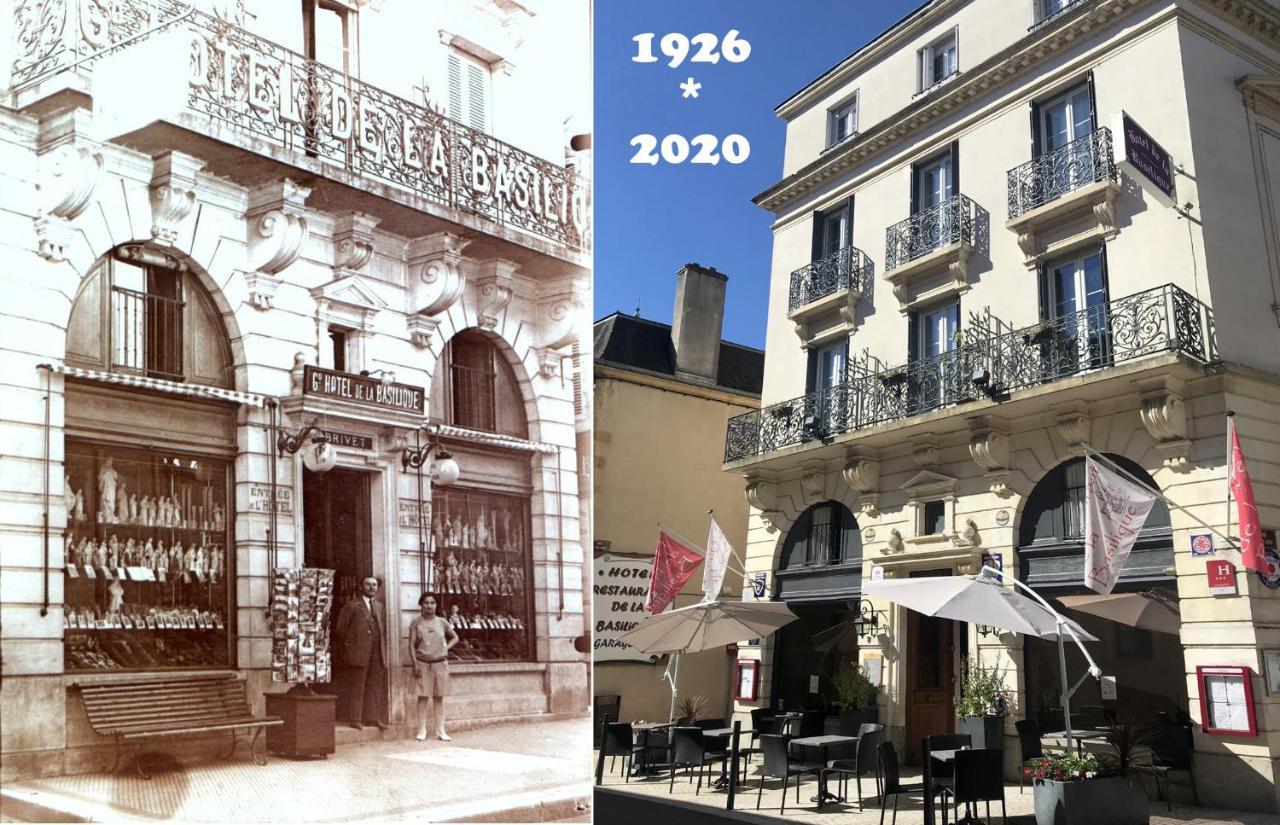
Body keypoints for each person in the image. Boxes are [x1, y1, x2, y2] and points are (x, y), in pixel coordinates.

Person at [334, 576, 389, 730]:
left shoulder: (379, 606)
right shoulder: (352, 606)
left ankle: (372, 718)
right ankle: (355, 719)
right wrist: (353, 647)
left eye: (374, 585)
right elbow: (341, 630)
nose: (371, 587)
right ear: (361, 587)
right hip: (358, 652)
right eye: (368, 584)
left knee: (375, 685)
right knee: (358, 686)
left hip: (377, 652)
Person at [408, 593, 458, 741]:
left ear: (436, 605)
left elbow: (455, 637)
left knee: (439, 698)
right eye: (426, 603)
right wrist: (415, 663)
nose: (429, 606)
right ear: (421, 605)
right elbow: (411, 644)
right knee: (423, 698)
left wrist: (446, 648)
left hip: (440, 664)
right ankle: (421, 730)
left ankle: (441, 730)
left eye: (432, 603)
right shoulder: (416, 623)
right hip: (423, 664)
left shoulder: (442, 622)